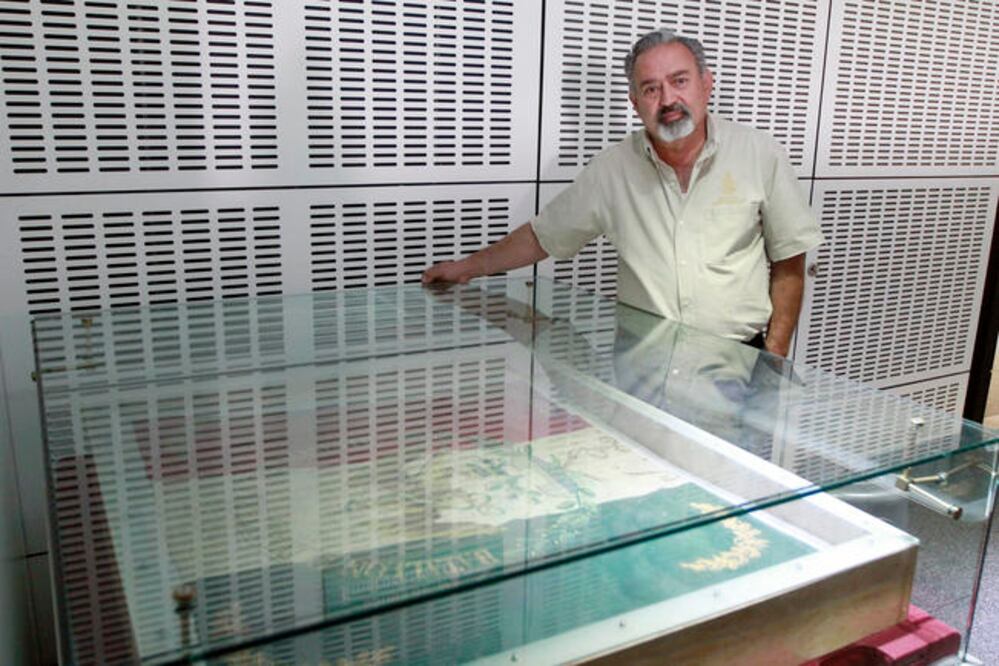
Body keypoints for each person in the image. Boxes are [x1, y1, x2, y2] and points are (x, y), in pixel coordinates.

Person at [422, 28, 823, 357]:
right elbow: (542, 236)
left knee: (737, 459)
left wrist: (775, 354)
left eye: (679, 81)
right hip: (642, 365)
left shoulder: (759, 153)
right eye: (651, 89)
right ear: (635, 103)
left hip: (741, 365)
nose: (668, 100)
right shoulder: (612, 168)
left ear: (706, 83)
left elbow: (789, 258)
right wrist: (469, 267)